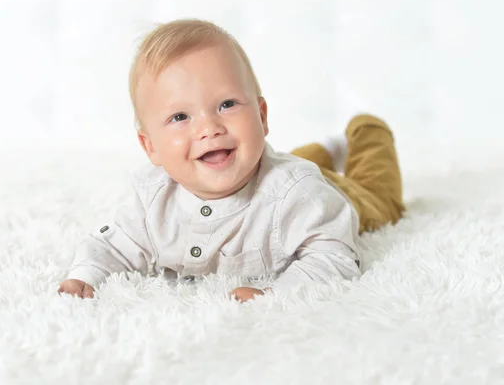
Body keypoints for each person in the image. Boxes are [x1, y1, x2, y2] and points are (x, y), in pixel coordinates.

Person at [58, 19, 405, 302]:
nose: (209, 127)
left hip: (334, 191)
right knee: (275, 161)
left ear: (262, 115)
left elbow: (333, 257)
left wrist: (278, 294)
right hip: (273, 169)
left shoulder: (299, 195)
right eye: (180, 116)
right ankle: (327, 148)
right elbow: (112, 247)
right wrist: (83, 276)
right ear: (151, 147)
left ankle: (367, 130)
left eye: (226, 105)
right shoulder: (152, 199)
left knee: (378, 192)